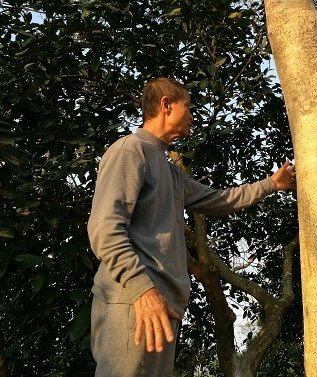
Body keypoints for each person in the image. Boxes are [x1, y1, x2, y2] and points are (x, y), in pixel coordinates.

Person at [88, 77, 296, 376]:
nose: (193, 115)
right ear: (166, 105)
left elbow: (219, 200)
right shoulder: (130, 151)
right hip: (134, 299)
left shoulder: (169, 171)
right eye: (188, 106)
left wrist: (271, 185)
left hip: (160, 304)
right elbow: (104, 229)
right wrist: (143, 291)